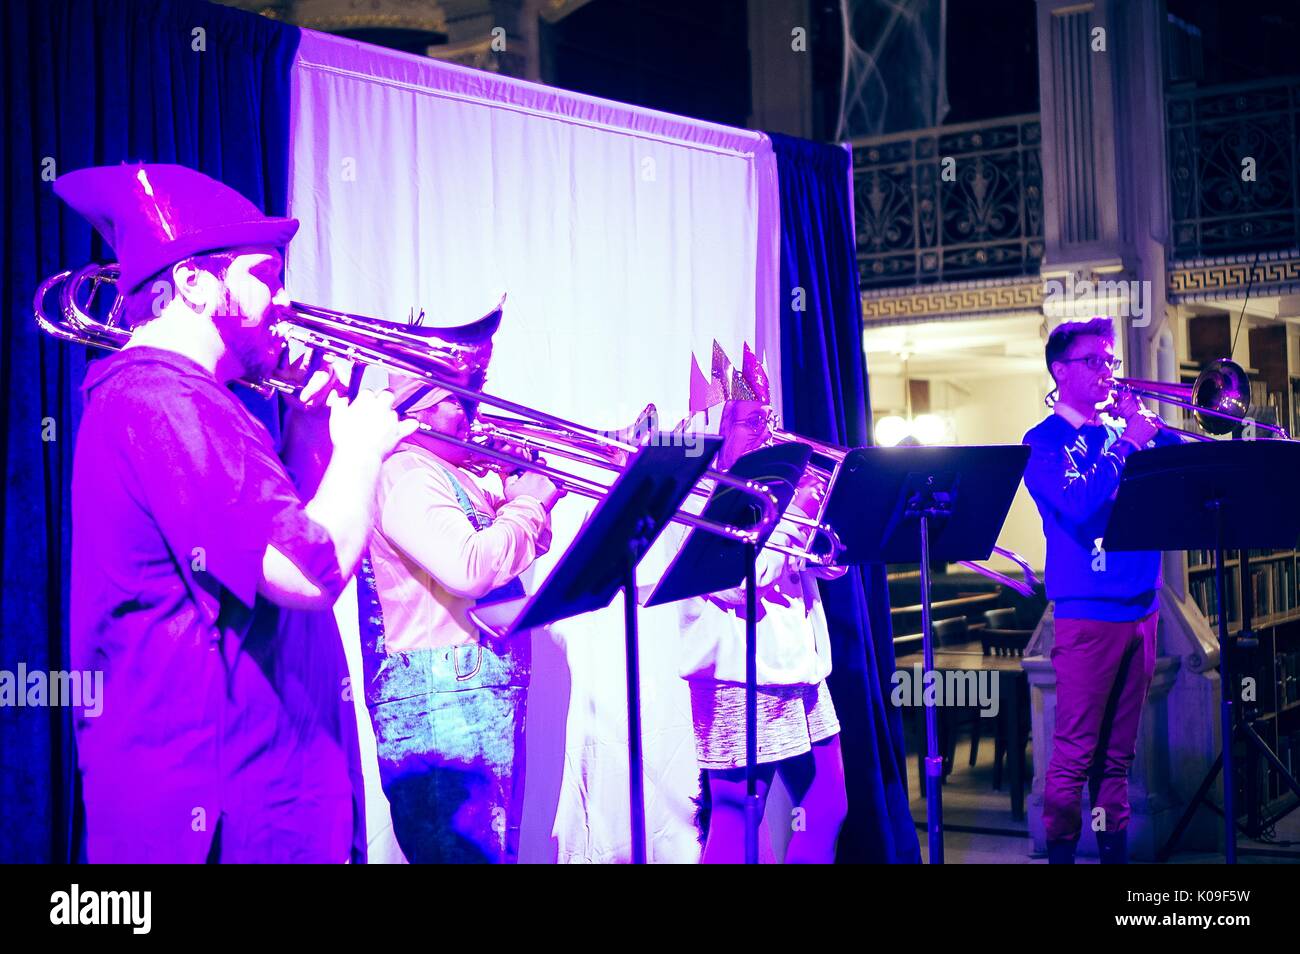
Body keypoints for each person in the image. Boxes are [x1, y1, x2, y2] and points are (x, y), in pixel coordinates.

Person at [57, 163, 415, 863]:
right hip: (218, 808)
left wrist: (314, 436)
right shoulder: (163, 401)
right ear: (193, 284)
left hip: (256, 787)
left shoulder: (190, 403)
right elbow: (309, 572)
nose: (284, 300)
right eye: (266, 277)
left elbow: (274, 544)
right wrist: (366, 447)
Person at [356, 316, 564, 863]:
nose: (474, 414)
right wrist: (528, 503)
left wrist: (518, 498)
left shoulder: (451, 472)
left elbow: (507, 558)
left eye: (476, 395)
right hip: (439, 702)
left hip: (471, 690)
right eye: (460, 399)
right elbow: (471, 567)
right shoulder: (404, 472)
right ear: (417, 403)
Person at [679, 342, 849, 863]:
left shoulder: (772, 481)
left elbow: (809, 566)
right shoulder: (697, 491)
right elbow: (736, 581)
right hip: (737, 670)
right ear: (719, 428)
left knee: (828, 802)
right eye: (753, 421)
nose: (768, 432)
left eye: (770, 418)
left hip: (798, 663)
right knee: (739, 813)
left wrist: (813, 530)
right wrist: (792, 513)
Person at [1022, 316, 1182, 864]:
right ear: (1060, 371)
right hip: (1088, 613)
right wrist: (1123, 445)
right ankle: (1063, 857)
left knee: (1118, 758)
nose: (1106, 372)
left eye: (1109, 361)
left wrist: (1150, 429)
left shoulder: (1121, 429)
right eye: (1093, 361)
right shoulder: (1042, 442)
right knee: (1073, 754)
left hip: (1143, 607)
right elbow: (1079, 505)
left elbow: (1187, 470)